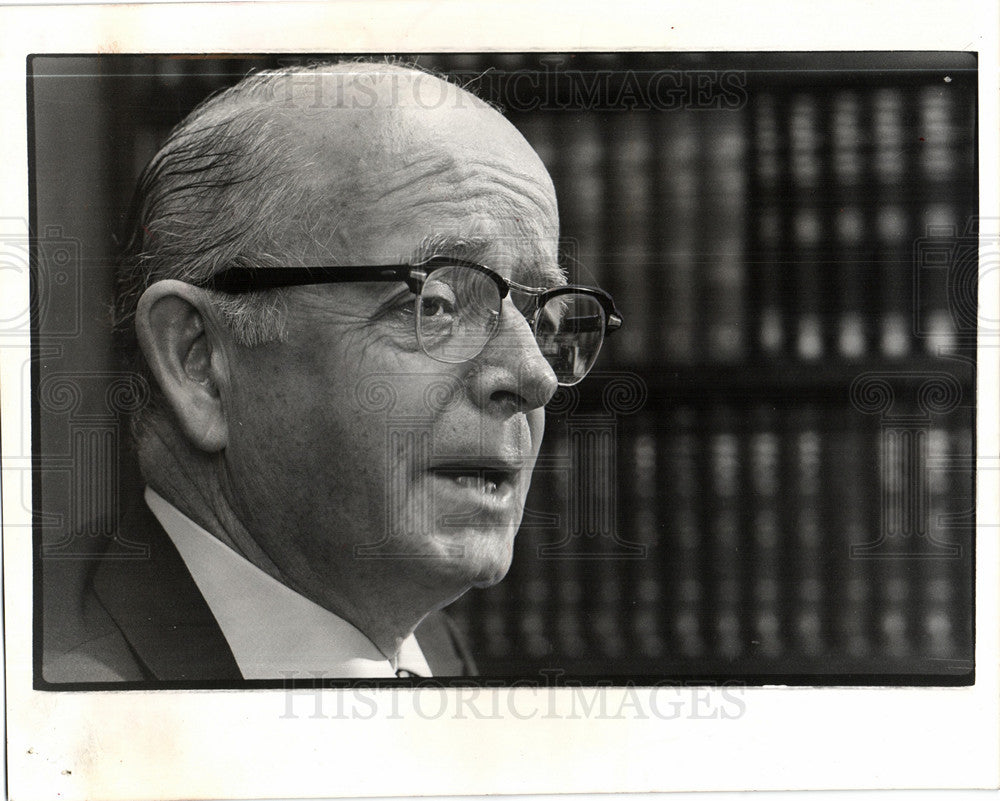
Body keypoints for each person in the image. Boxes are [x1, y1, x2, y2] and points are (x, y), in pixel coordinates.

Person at [41, 61, 621, 683]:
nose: (534, 375)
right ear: (201, 362)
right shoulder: (54, 702)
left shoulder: (435, 649)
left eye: (541, 316)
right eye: (438, 305)